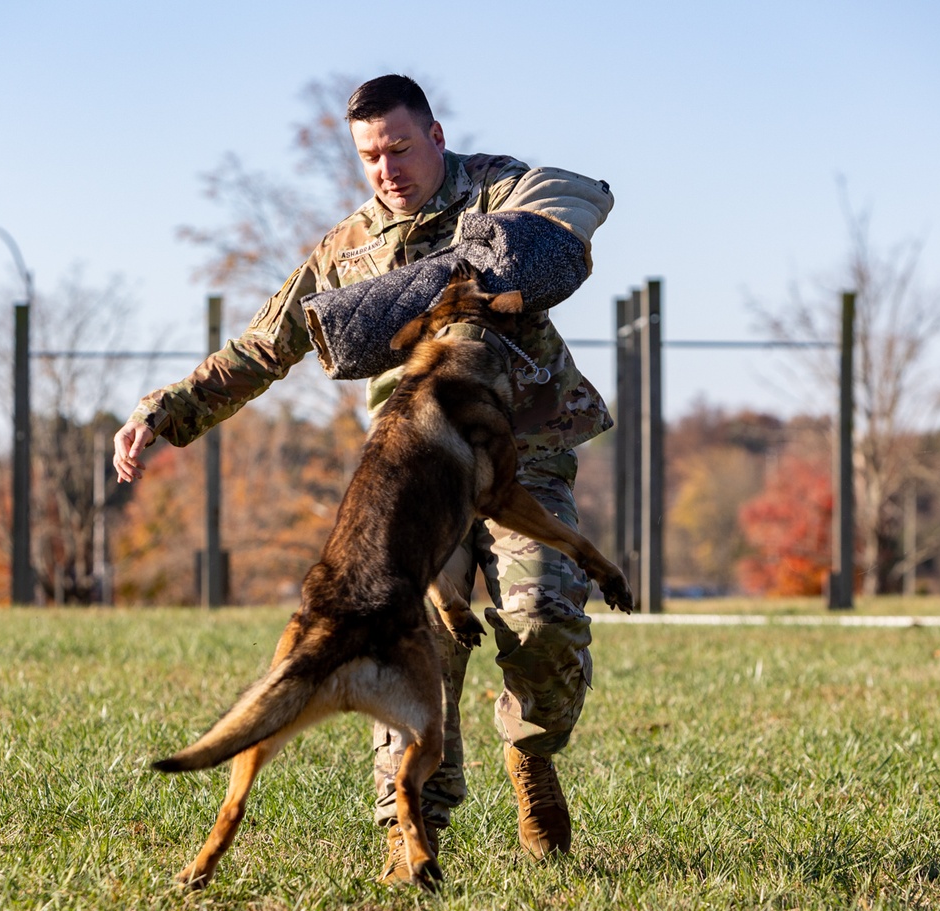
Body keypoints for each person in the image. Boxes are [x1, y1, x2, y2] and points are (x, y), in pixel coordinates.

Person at [113, 74, 615, 884]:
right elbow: (259, 350)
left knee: (543, 619)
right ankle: (407, 836)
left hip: (523, 450)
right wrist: (161, 413)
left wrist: (520, 241)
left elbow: (571, 207)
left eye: (400, 147)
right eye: (370, 155)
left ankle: (532, 753)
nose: (386, 168)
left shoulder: (498, 187)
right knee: (410, 635)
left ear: (436, 136)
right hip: (418, 475)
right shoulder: (344, 250)